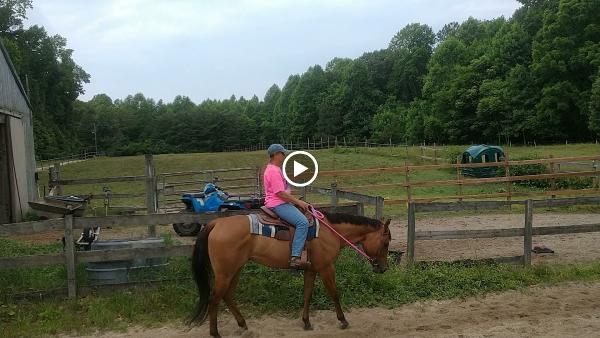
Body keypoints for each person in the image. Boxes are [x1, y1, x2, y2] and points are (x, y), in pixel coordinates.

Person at [263, 144, 311, 268]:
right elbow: (280, 193)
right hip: (278, 203)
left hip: (280, 202)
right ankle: (295, 257)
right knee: (303, 223)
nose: (285, 156)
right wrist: (298, 202)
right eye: (283, 154)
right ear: (277, 154)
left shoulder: (275, 169)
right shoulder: (273, 171)